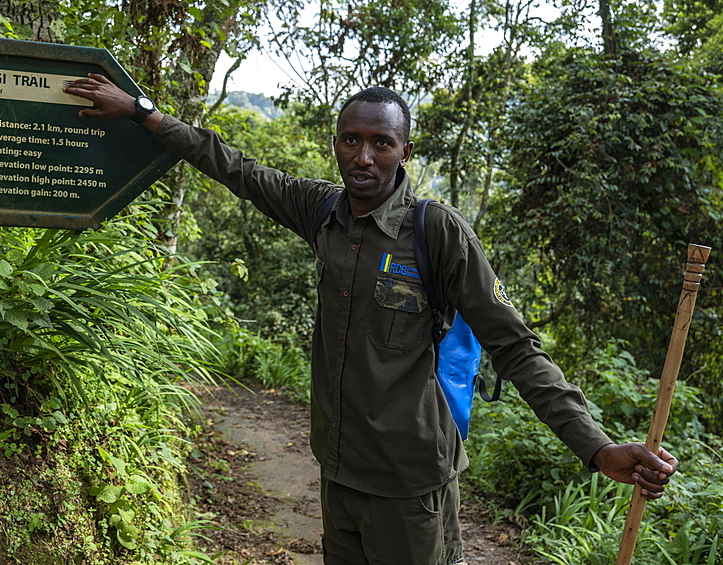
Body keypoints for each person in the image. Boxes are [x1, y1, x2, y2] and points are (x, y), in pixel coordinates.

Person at [63, 74, 680, 565]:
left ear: (404, 152)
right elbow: (234, 167)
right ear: (336, 143)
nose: (363, 156)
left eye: (381, 143)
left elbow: (516, 348)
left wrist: (595, 447)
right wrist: (142, 110)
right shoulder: (322, 211)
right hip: (339, 470)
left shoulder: (437, 233)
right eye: (350, 139)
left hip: (412, 483)